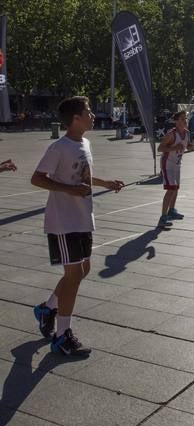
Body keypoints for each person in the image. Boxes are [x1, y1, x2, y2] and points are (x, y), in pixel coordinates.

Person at [31, 96, 124, 356]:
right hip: (63, 221)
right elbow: (37, 178)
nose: (93, 115)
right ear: (75, 119)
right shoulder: (59, 147)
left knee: (82, 270)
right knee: (73, 276)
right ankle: (62, 335)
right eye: (89, 111)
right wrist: (69, 190)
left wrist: (106, 183)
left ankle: (48, 308)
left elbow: (83, 176)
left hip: (83, 217)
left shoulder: (85, 143)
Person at [158, 110, 189, 228]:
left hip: (177, 164)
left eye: (185, 118)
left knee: (176, 189)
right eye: (182, 119)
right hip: (168, 164)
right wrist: (174, 147)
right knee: (170, 189)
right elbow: (160, 149)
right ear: (176, 121)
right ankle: (163, 217)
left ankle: (171, 211)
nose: (185, 120)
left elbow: (187, 145)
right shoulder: (171, 134)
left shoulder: (187, 133)